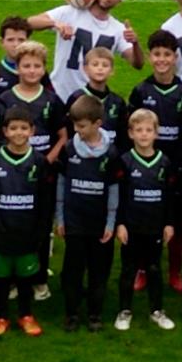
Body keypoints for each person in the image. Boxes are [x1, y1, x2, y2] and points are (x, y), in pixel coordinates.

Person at [0, 39, 68, 301]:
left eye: (36, 66)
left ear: (43, 68)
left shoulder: (51, 99)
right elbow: (1, 134)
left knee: (39, 225)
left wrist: (48, 158)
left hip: (42, 173)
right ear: (17, 68)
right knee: (13, 224)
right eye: (26, 66)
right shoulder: (5, 98)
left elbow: (63, 135)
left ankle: (38, 279)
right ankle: (14, 280)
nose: (31, 70)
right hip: (13, 175)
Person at [129, 29, 182, 291]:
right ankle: (142, 269)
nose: (161, 60)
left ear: (175, 57)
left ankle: (175, 272)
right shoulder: (140, 91)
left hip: (175, 170)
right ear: (149, 57)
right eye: (156, 54)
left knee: (176, 223)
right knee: (145, 222)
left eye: (167, 55)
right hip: (146, 170)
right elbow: (133, 131)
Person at [0, 108, 52, 337]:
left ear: (32, 131)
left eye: (24, 128)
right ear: (5, 132)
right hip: (1, 231)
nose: (19, 133)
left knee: (25, 277)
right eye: (13, 128)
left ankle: (25, 315)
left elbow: (46, 200)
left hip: (28, 232)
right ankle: (0, 316)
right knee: (1, 277)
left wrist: (41, 231)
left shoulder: (39, 161)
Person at [55, 95, 122, 332]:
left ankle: (94, 315)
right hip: (74, 222)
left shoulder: (111, 153)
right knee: (73, 271)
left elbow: (114, 189)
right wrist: (60, 218)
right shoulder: (69, 149)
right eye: (75, 125)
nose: (77, 130)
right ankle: (71, 314)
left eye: (81, 125)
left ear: (97, 124)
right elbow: (61, 184)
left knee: (98, 272)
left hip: (100, 224)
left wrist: (111, 222)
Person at [27, 0, 144, 100]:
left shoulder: (118, 29)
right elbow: (30, 22)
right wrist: (55, 23)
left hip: (90, 100)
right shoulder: (69, 12)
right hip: (58, 93)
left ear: (120, 1)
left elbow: (138, 63)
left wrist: (135, 43)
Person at [114, 109, 179, 331]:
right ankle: (124, 310)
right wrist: (120, 223)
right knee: (128, 269)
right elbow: (119, 195)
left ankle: (156, 310)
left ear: (156, 133)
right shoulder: (124, 161)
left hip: (155, 226)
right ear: (130, 133)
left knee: (154, 268)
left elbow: (170, 196)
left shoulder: (165, 163)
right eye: (138, 130)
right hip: (131, 226)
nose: (143, 134)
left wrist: (169, 223)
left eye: (148, 130)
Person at [62, 45, 127, 149]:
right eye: (95, 64)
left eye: (105, 65)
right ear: (86, 69)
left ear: (112, 70)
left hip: (110, 156)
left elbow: (123, 135)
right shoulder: (76, 98)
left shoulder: (118, 102)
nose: (100, 68)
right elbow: (69, 130)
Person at [0, 16, 32, 98]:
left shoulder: (37, 71)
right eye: (10, 40)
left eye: (21, 40)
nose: (16, 44)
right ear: (2, 42)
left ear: (28, 41)